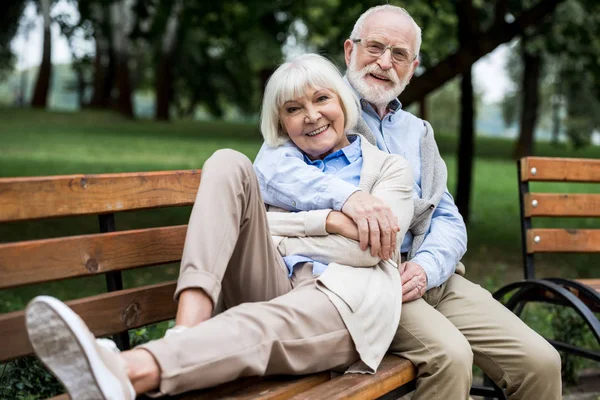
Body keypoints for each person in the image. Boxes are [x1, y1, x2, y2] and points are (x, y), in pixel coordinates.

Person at [24, 54, 414, 399]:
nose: (310, 115)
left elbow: (369, 250)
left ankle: (128, 371)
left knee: (259, 324)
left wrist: (280, 229)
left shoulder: (389, 170)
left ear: (342, 101)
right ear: (281, 121)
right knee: (228, 161)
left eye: (321, 99)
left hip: (343, 304)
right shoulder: (277, 167)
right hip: (271, 283)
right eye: (294, 108)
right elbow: (264, 229)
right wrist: (330, 220)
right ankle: (185, 331)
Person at [254, 5, 562, 400]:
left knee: (541, 362)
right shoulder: (323, 108)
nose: (385, 62)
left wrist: (427, 267)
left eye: (399, 54)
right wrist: (350, 198)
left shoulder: (418, 132)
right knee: (451, 357)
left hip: (430, 276)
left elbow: (447, 216)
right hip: (368, 278)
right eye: (375, 47)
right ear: (350, 51)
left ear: (412, 66)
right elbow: (271, 171)